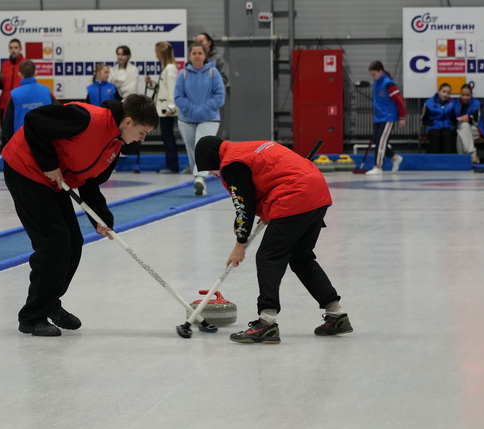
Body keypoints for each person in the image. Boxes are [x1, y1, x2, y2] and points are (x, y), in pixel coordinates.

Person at [2, 94, 158, 336]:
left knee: (73, 241)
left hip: (54, 181)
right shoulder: (86, 118)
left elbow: (89, 182)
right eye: (142, 132)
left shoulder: (115, 144)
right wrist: (48, 162)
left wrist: (100, 219)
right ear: (128, 121)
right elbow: (34, 120)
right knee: (54, 242)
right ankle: (32, 317)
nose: (142, 138)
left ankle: (49, 300)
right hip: (26, 170)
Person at [194, 136, 352, 344]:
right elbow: (271, 178)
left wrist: (240, 245)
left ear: (212, 158)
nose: (215, 174)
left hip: (294, 196)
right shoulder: (249, 147)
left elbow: (244, 206)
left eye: (211, 169)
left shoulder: (232, 164)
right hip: (317, 192)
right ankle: (336, 315)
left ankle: (266, 323)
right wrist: (271, 209)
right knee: (301, 258)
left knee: (268, 256)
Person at [174, 42, 225, 195]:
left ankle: (200, 178)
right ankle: (198, 178)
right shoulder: (183, 74)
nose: (197, 56)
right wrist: (192, 109)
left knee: (201, 145)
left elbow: (220, 96)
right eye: (194, 53)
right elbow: (178, 97)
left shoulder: (213, 73)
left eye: (199, 53)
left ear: (205, 55)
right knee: (192, 151)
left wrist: (203, 109)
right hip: (186, 119)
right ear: (189, 56)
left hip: (209, 118)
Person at [145, 41, 180, 173]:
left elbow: (172, 89)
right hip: (164, 109)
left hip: (167, 110)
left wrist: (170, 107)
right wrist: (152, 84)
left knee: (168, 137)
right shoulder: (167, 68)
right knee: (167, 137)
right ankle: (171, 165)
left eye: (157, 52)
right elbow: (163, 88)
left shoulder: (170, 69)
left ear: (161, 53)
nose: (156, 55)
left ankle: (172, 166)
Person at [2, 60, 57, 142]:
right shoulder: (46, 91)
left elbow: (7, 125)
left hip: (21, 142)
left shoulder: (14, 95)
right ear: (35, 73)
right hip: (45, 140)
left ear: (19, 74)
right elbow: (58, 114)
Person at [367, 61, 405, 175]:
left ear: (380, 71)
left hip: (388, 117)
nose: (373, 77)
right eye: (371, 75)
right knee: (378, 142)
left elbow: (399, 101)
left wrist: (402, 117)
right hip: (378, 117)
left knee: (381, 142)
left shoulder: (389, 84)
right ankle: (395, 158)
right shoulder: (376, 83)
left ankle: (378, 167)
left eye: (374, 74)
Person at [0, 39, 24, 146]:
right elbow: (2, 85)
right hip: (4, 104)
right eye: (11, 48)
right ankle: (4, 156)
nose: (13, 50)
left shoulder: (25, 64)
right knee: (5, 132)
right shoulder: (5, 65)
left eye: (16, 48)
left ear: (20, 49)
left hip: (19, 104)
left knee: (19, 131)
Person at [453, 83, 484, 164]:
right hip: (460, 130)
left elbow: (477, 120)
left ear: (471, 95)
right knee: (461, 134)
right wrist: (460, 119)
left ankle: (467, 156)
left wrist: (469, 118)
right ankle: (472, 158)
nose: (465, 97)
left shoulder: (476, 104)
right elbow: (452, 119)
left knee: (464, 127)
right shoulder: (455, 103)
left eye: (467, 95)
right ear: (460, 94)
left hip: (474, 130)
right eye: (463, 95)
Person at [421, 83, 456, 154]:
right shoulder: (429, 103)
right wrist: (431, 123)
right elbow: (424, 119)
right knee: (436, 136)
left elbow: (454, 118)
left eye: (448, 93)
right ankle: (432, 160)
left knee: (447, 135)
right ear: (438, 91)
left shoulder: (453, 103)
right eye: (443, 91)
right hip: (433, 127)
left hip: (447, 127)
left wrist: (452, 125)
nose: (445, 94)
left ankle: (447, 160)